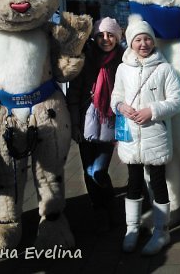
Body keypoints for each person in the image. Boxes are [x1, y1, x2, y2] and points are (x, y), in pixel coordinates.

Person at [111, 16, 180, 255]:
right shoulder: (123, 69)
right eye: (138, 40)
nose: (143, 44)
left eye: (147, 39)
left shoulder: (164, 69)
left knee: (158, 183)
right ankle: (131, 228)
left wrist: (151, 110)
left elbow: (176, 102)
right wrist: (121, 107)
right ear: (131, 43)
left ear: (153, 42)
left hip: (156, 136)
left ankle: (162, 232)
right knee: (133, 183)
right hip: (131, 137)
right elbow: (116, 97)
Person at [66, 17, 124, 230]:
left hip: (110, 122)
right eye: (100, 35)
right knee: (88, 169)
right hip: (85, 123)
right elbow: (74, 94)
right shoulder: (85, 60)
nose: (105, 39)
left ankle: (109, 205)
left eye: (110, 35)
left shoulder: (123, 60)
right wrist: (73, 125)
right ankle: (99, 208)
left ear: (117, 37)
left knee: (98, 170)